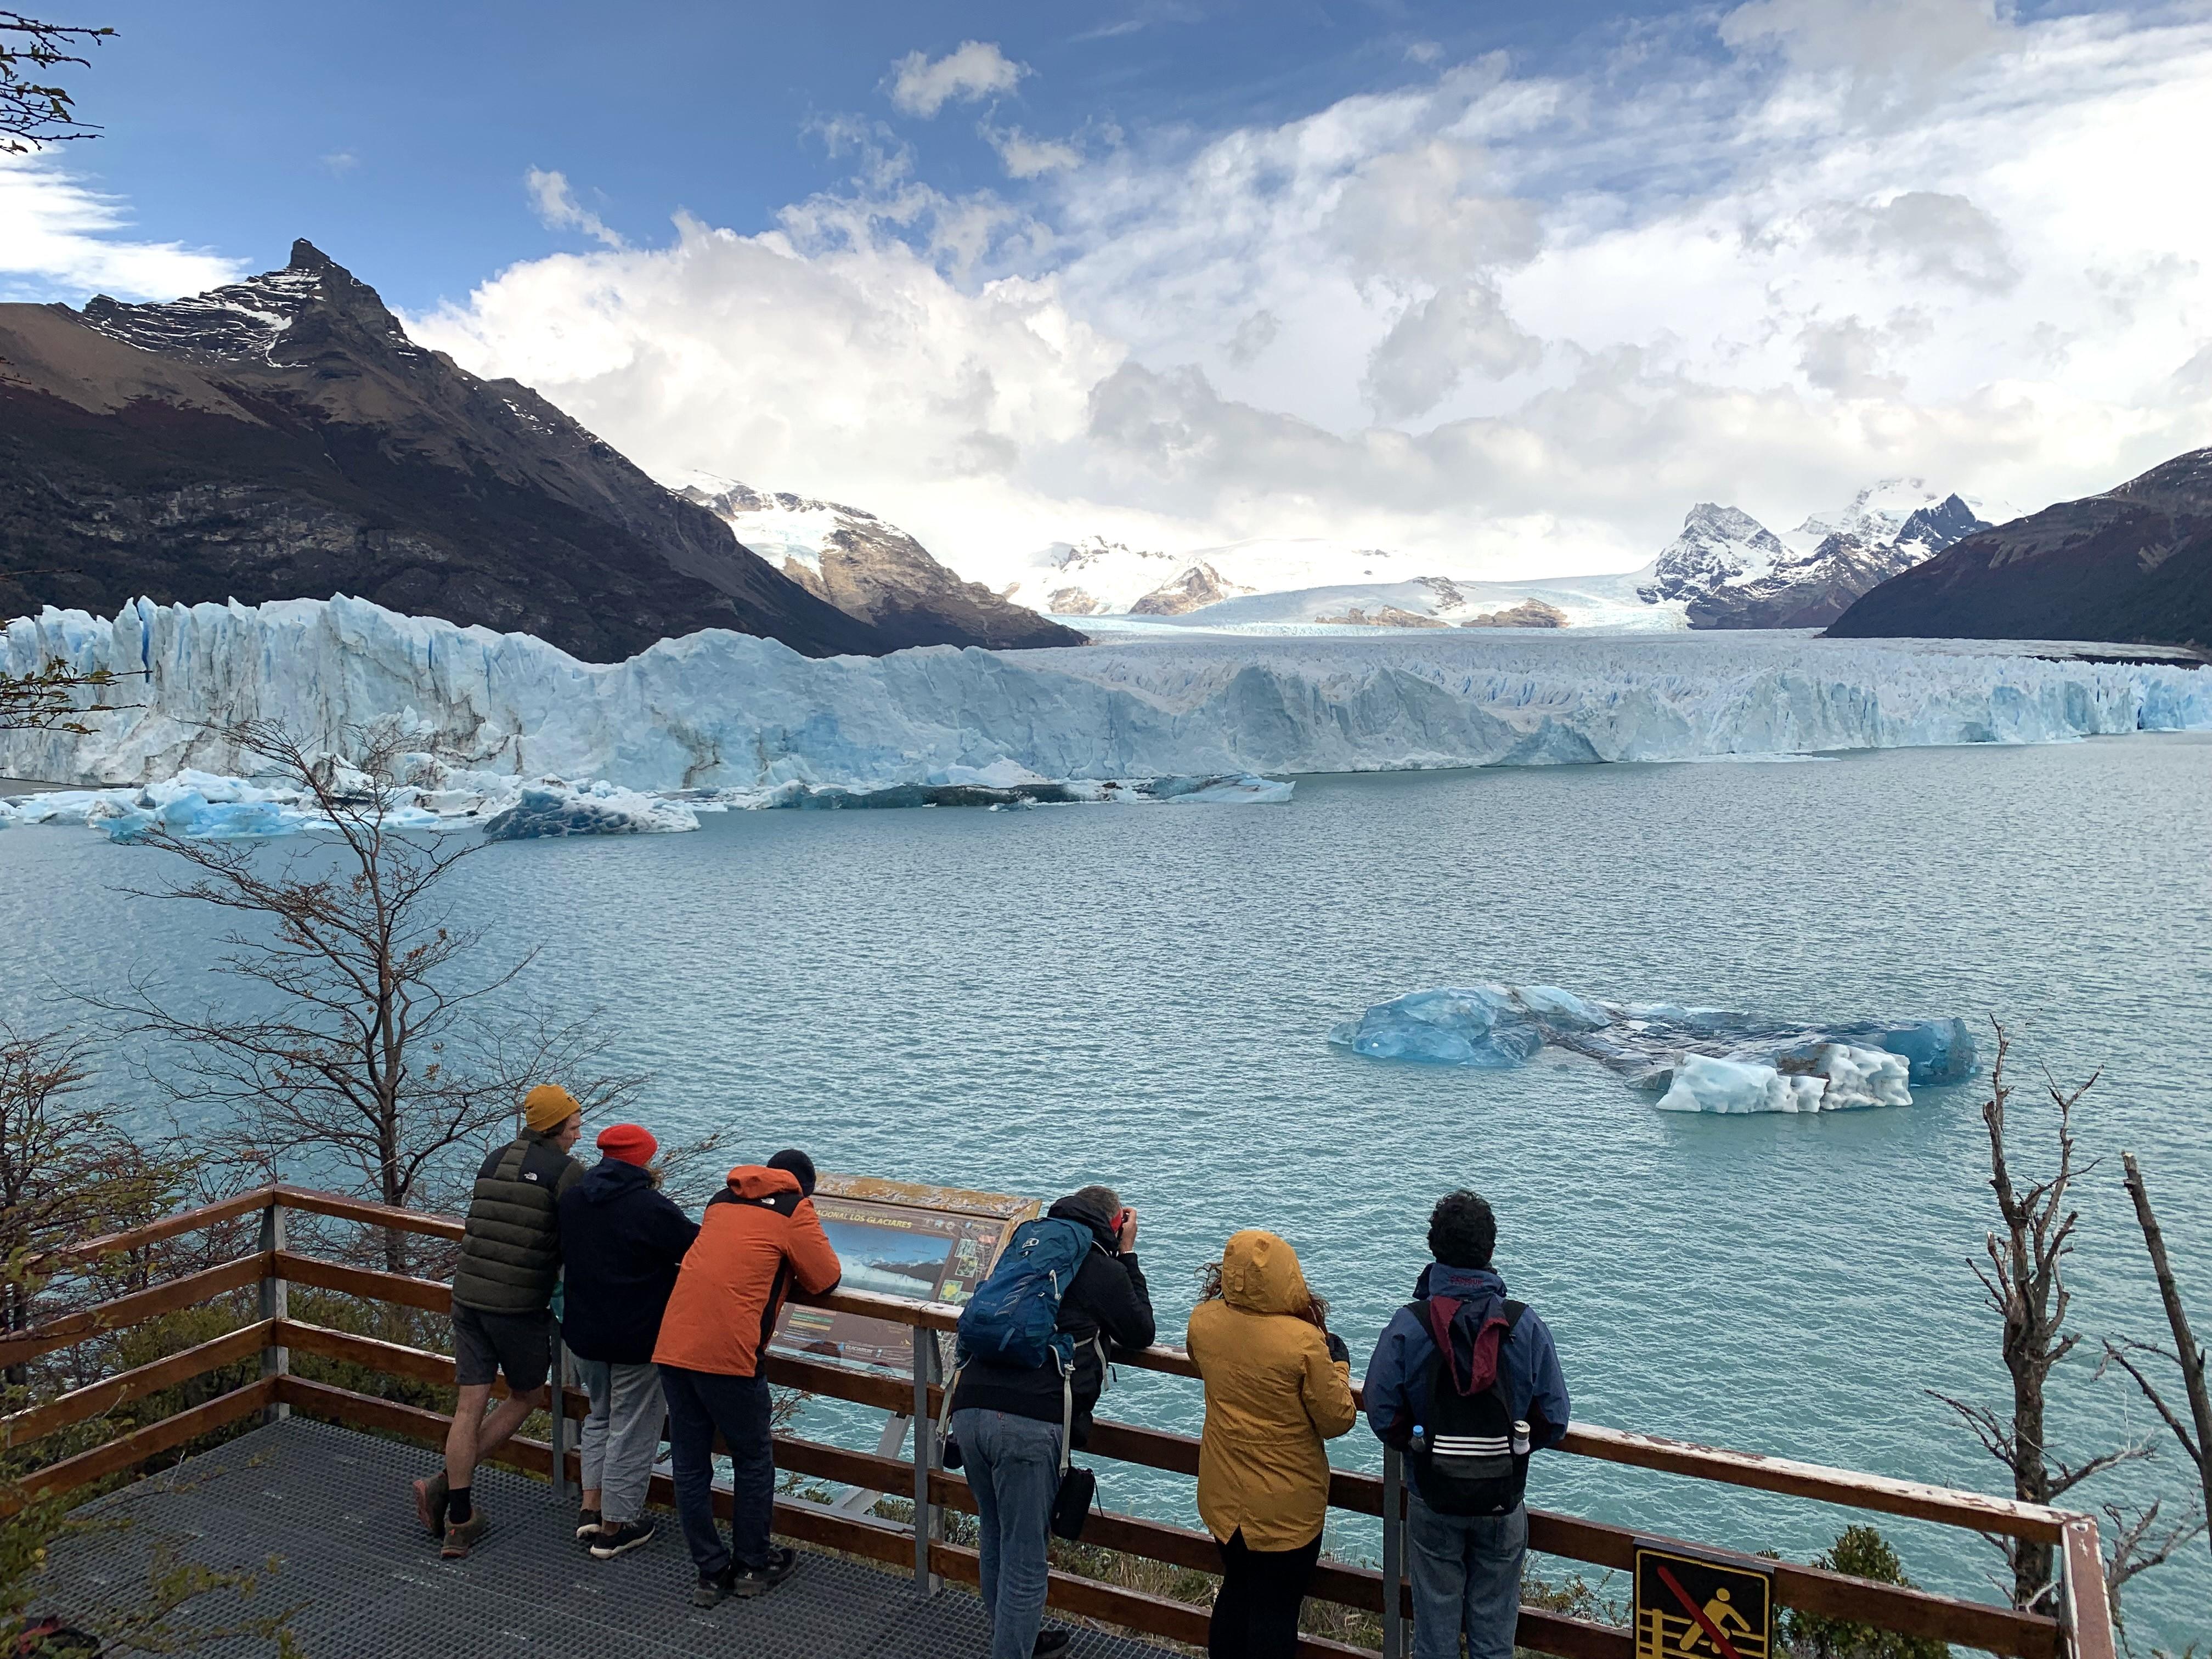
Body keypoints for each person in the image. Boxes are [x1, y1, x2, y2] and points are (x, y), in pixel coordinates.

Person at [948, 1185, 1155, 1659]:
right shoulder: (1099, 1267)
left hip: (970, 1408)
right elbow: (1141, 1331)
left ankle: (1014, 1642)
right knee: (1025, 1560)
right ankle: (1013, 1650)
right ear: (1116, 1222)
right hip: (1027, 1421)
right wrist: (1128, 1255)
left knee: (996, 1534)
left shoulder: (1027, 1246)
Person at [1362, 1192, 1571, 1659]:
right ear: (1490, 1250)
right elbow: (1555, 1417)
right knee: (1494, 1643)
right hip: (1502, 1498)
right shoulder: (1523, 1324)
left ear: (1434, 1250)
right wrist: (1513, 1444)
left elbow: (1379, 1410)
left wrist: (1419, 1447)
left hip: (1433, 1496)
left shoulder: (1409, 1325)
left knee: (1434, 1641)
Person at [652, 1149, 842, 1607]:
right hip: (730, 1355)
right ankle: (753, 1564)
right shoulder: (796, 1209)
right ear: (804, 1187)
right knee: (753, 1458)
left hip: (674, 1345)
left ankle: (710, 1570)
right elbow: (826, 1279)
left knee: (690, 1461)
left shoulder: (722, 1200)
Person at [413, 1082, 587, 1558]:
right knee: (527, 1395)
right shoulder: (567, 1172)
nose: (578, 1133)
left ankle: (459, 1512)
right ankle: (448, 1494)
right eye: (573, 1126)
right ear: (554, 1128)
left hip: (468, 1296)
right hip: (517, 1306)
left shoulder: (493, 1159)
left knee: (470, 1405)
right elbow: (576, 1240)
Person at [1186, 1229, 1358, 1659]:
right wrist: (1337, 1365)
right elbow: (1337, 1419)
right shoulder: (1303, 1344)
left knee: (1236, 1594)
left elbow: (1201, 1360)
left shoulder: (1203, 1323)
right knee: (1276, 1613)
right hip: (1287, 1511)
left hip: (1225, 1502)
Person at [557, 1121, 699, 1558]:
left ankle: (591, 1509)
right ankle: (617, 1527)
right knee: (634, 1428)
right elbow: (696, 1249)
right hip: (637, 1336)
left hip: (583, 1332)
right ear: (643, 1159)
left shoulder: (573, 1199)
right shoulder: (650, 1208)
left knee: (600, 1416)